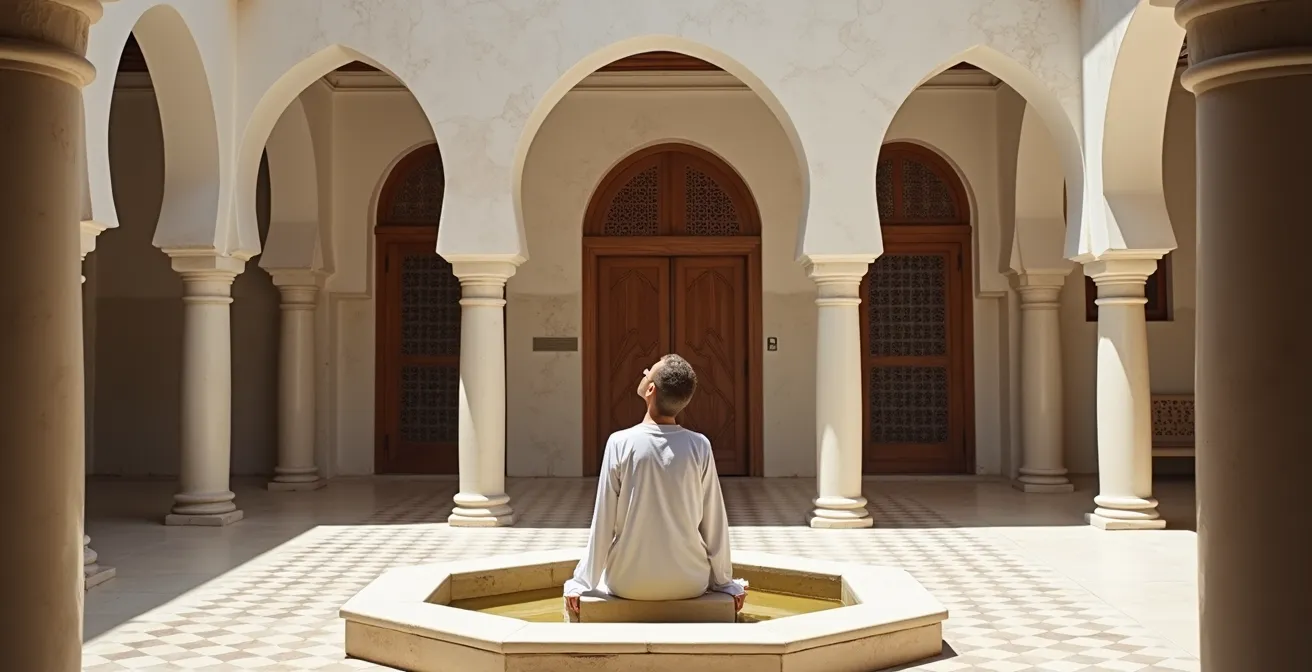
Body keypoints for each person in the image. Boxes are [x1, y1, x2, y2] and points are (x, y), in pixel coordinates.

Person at [563, 354, 746, 617]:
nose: (645, 370)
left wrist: (582, 582)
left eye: (649, 371)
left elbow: (603, 522)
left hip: (628, 584)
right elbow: (714, 523)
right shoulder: (699, 446)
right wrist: (725, 582)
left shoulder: (619, 443)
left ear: (650, 389)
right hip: (690, 583)